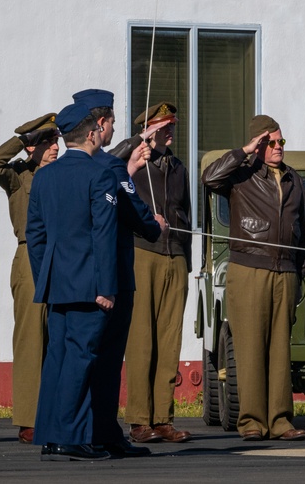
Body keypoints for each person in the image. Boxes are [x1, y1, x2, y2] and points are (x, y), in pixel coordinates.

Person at [200, 114, 305, 442]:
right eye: (270, 143)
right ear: (258, 144)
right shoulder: (241, 175)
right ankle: (251, 421)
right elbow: (209, 178)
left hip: (285, 273)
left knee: (280, 349)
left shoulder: (293, 179)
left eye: (280, 142)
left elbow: (303, 231)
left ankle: (279, 420)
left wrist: (298, 273)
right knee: (248, 347)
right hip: (248, 270)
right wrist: (245, 151)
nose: (277, 148)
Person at [72, 88, 165, 456]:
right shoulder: (108, 167)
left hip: (84, 278)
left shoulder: (84, 166)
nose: (112, 126)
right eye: (110, 120)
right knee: (107, 361)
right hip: (114, 278)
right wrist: (156, 225)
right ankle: (104, 432)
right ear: (99, 123)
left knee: (89, 359)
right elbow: (135, 214)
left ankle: (92, 430)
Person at [26, 101, 119, 461]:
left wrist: (45, 277)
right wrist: (105, 287)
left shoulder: (45, 176)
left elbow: (35, 236)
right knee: (81, 359)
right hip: (89, 284)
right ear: (94, 133)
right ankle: (72, 437)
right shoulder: (100, 175)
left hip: (57, 282)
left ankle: (51, 434)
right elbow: (104, 236)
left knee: (58, 359)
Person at [109, 102, 193, 444]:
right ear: (149, 130)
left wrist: (186, 255)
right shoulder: (134, 162)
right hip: (143, 253)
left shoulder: (177, 166)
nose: (170, 132)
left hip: (175, 255)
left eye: (171, 126)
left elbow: (184, 210)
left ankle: (163, 417)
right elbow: (109, 164)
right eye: (163, 127)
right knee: (142, 340)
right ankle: (140, 419)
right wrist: (137, 141)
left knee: (169, 341)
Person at [0, 113, 60, 445]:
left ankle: (56, 413)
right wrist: (23, 139)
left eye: (57, 140)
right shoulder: (18, 176)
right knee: (31, 339)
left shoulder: (62, 175)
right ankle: (29, 418)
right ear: (34, 147)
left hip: (62, 258)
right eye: (47, 142)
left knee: (59, 337)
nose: (55, 147)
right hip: (30, 257)